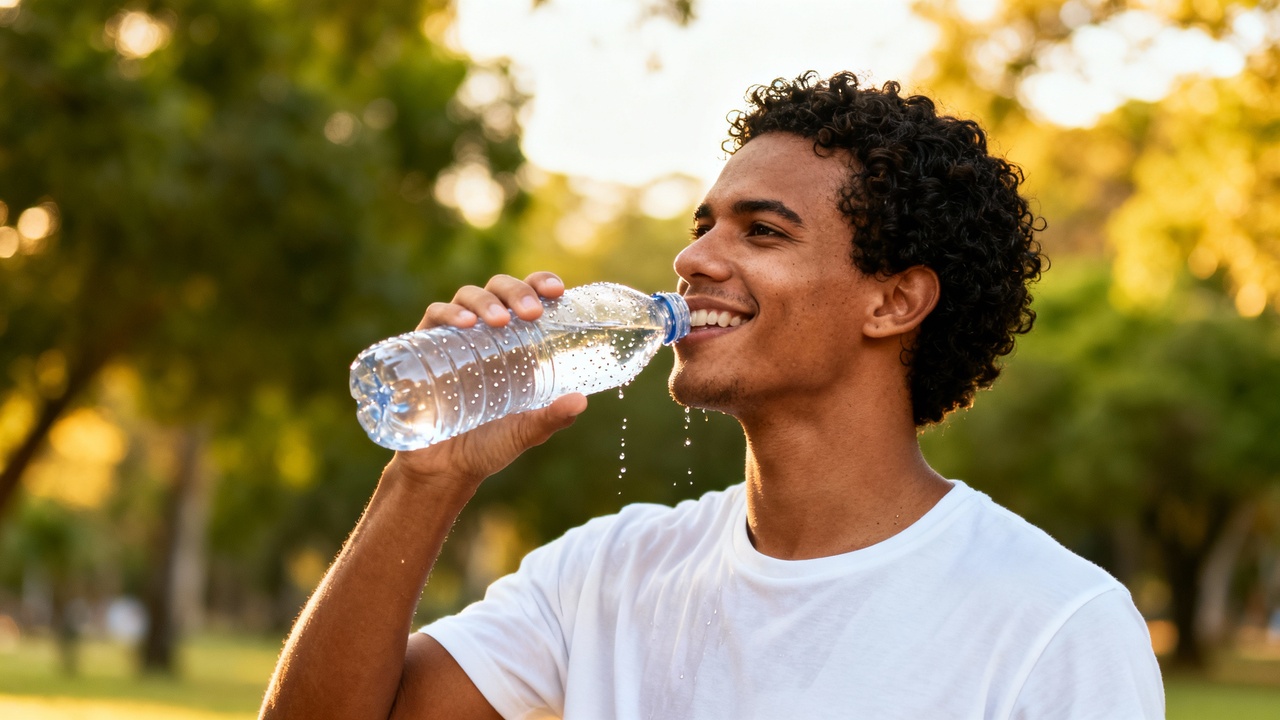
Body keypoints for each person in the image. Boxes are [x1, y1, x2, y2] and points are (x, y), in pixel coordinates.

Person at [261, 72, 1164, 719]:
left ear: (894, 302)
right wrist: (426, 478)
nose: (693, 259)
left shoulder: (1053, 623)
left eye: (762, 232)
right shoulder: (606, 573)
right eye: (704, 226)